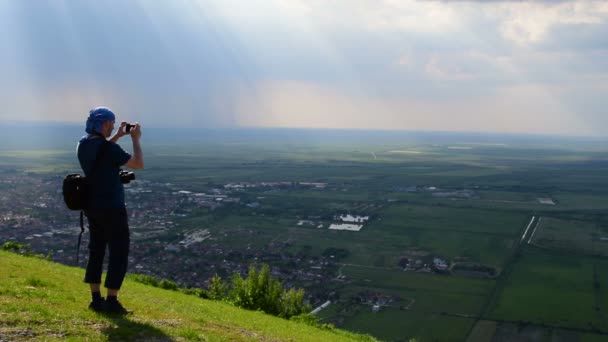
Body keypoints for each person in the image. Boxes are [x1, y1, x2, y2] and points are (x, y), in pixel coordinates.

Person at [77, 107, 143, 314]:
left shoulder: (83, 144)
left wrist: (117, 136)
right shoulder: (108, 149)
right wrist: (135, 139)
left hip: (92, 206)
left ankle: (95, 299)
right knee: (118, 252)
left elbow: (102, 151)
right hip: (112, 207)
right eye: (112, 124)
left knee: (96, 250)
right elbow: (138, 164)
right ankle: (112, 301)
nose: (113, 126)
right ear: (105, 123)